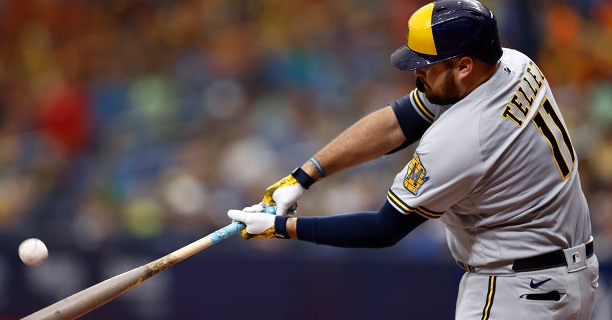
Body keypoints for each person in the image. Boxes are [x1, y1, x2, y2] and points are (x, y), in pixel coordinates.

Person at [227, 0, 599, 319]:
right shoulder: (515, 64)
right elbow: (400, 121)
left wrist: (283, 228)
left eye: (427, 64)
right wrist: (304, 175)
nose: (416, 71)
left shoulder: (465, 136)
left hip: (518, 290)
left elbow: (384, 228)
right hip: (569, 274)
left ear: (464, 66)